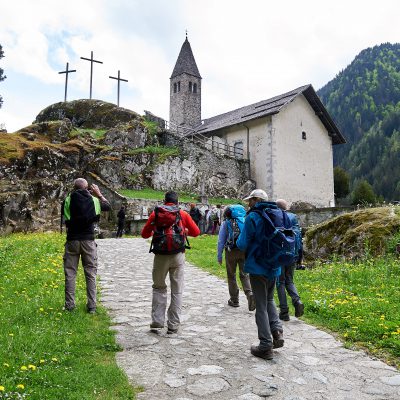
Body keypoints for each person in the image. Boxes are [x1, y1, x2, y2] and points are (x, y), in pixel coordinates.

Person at [141, 191, 200, 334]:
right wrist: (184, 231)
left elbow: (144, 234)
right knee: (177, 290)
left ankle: (157, 321)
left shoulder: (156, 213)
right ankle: (173, 325)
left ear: (164, 200)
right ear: (177, 201)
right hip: (178, 255)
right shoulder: (183, 214)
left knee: (159, 287)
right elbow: (196, 232)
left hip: (160, 256)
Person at [237, 189, 284, 360]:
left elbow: (242, 244)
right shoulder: (278, 213)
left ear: (256, 200)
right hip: (275, 266)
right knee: (270, 299)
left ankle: (265, 345)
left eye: (251, 200)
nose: (249, 203)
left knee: (261, 305)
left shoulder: (253, 217)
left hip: (258, 267)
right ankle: (277, 332)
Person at [61, 178, 111, 313]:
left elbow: (66, 218)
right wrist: (98, 194)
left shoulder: (68, 199)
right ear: (87, 187)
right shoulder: (94, 200)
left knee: (70, 273)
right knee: (90, 273)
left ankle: (70, 305)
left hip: (72, 240)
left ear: (74, 187)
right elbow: (107, 206)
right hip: (88, 240)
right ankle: (92, 307)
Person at [217, 205, 256, 311]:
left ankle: (234, 300)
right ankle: (250, 294)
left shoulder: (227, 222)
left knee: (231, 275)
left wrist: (219, 255)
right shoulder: (245, 220)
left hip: (231, 251)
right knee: (245, 275)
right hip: (244, 250)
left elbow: (221, 240)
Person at [275, 199, 304, 321]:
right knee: (289, 281)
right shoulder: (293, 218)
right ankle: (297, 301)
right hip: (293, 254)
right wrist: (299, 257)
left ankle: (284, 312)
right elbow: (299, 239)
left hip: (280, 255)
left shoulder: (276, 217)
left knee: (280, 282)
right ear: (286, 207)